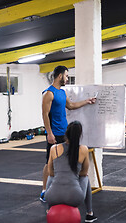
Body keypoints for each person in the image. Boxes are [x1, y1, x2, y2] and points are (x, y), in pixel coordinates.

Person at [40, 65, 96, 202]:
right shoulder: (49, 93)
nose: (66, 78)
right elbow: (45, 114)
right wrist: (49, 133)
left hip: (65, 133)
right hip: (54, 134)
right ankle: (44, 190)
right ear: (59, 76)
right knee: (50, 162)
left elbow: (71, 106)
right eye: (66, 75)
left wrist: (87, 101)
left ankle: (61, 187)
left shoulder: (62, 92)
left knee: (65, 159)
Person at [45, 121, 97, 223]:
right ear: (79, 135)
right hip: (74, 198)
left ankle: (49, 209)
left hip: (52, 197)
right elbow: (83, 173)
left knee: (52, 177)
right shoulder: (83, 149)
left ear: (66, 133)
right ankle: (89, 214)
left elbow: (50, 172)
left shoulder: (54, 148)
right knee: (86, 177)